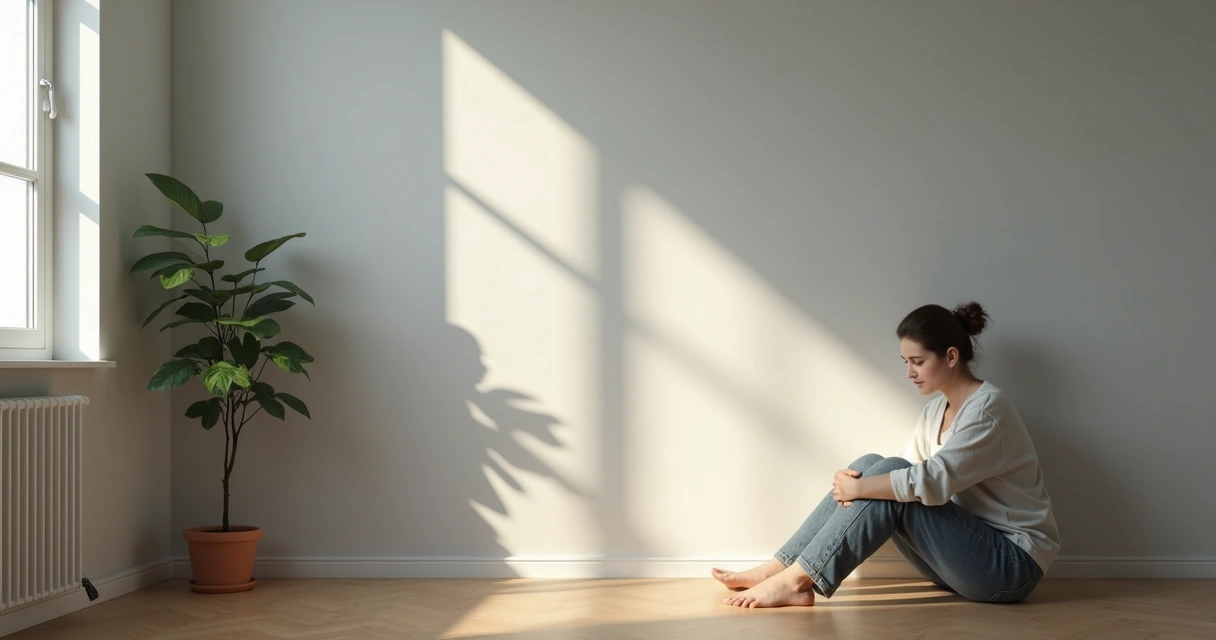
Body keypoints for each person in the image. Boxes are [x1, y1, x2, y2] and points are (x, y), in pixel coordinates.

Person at [713, 302, 1060, 608]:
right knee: (868, 466)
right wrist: (854, 481)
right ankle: (781, 567)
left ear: (951, 357)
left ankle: (796, 581)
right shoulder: (936, 410)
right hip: (964, 557)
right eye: (905, 361)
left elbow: (930, 482)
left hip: (1010, 566)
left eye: (918, 362)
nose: (909, 372)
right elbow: (902, 477)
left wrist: (859, 489)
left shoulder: (988, 409)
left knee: (884, 476)